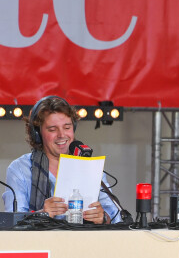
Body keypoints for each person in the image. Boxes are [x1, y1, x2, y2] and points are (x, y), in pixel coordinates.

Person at [2, 95, 121, 224]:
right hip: (39, 244)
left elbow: (115, 217)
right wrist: (41, 214)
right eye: (52, 129)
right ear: (37, 133)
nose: (62, 135)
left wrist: (103, 217)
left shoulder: (90, 166)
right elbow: (11, 222)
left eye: (67, 127)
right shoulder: (19, 169)